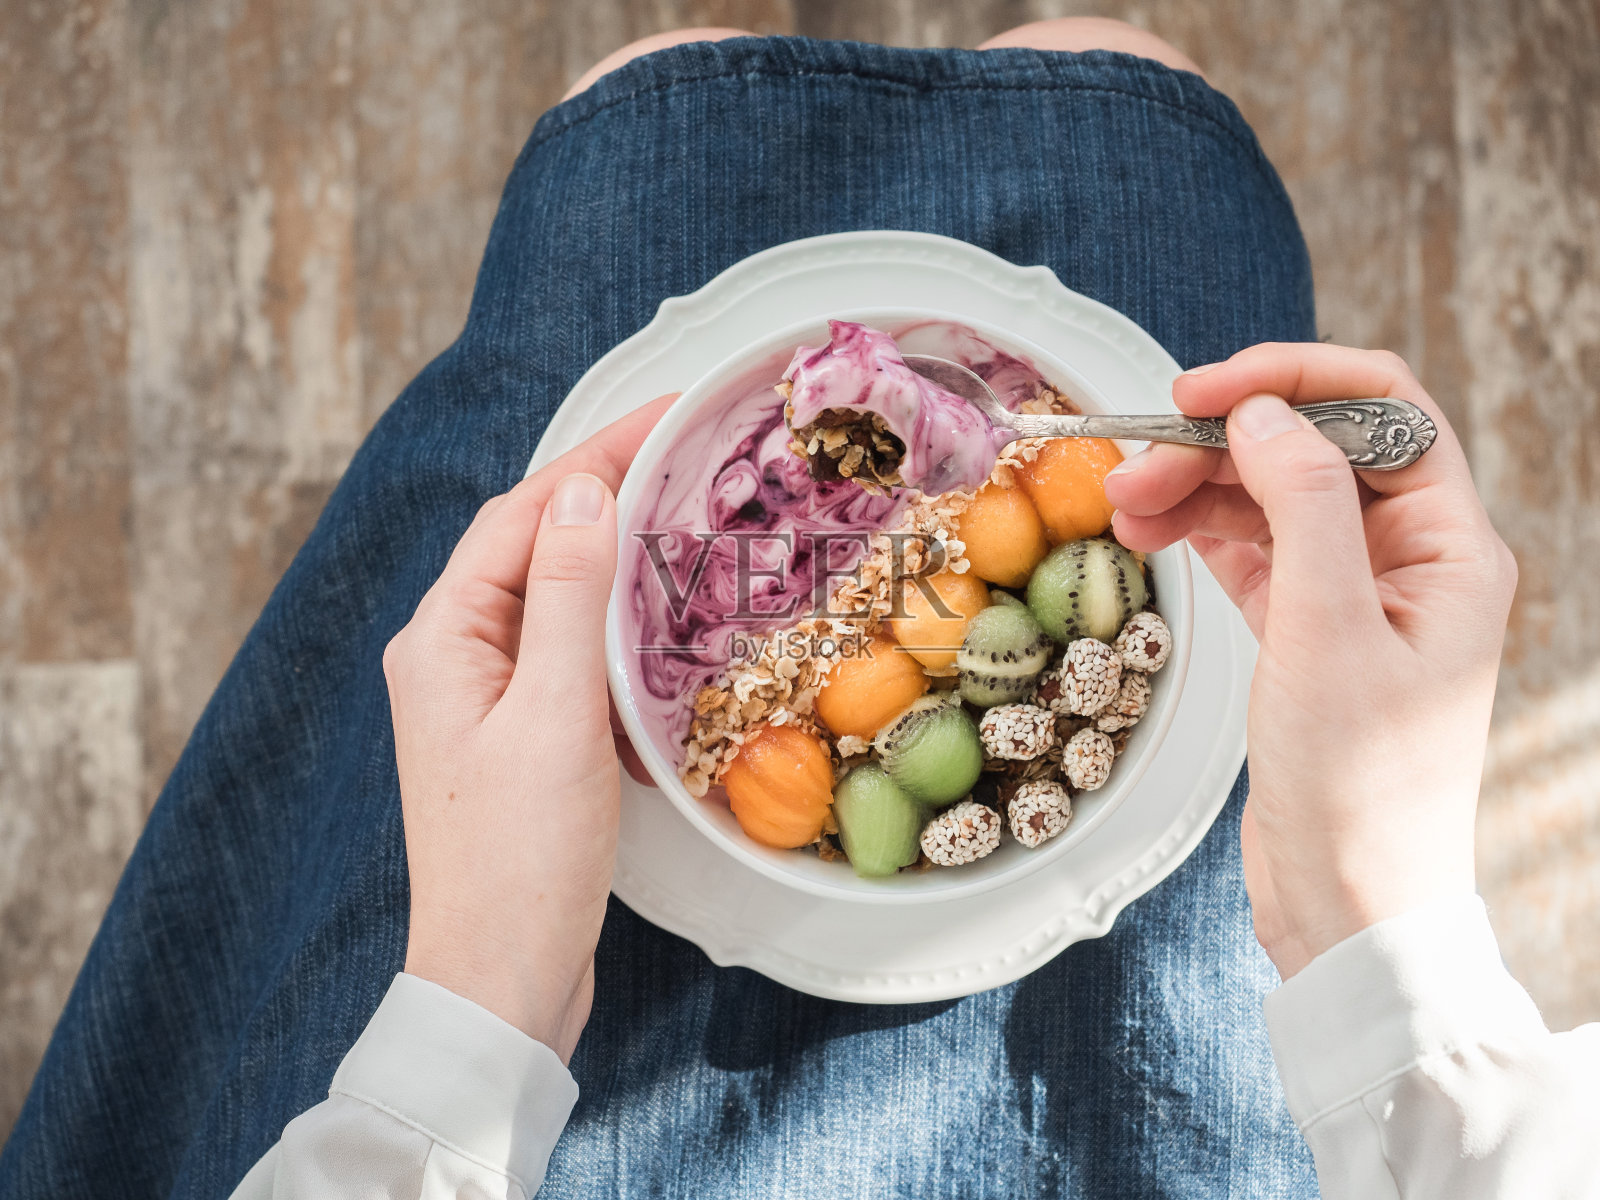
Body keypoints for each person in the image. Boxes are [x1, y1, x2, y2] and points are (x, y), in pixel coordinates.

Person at [3, 20, 1593, 1200]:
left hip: (513, 1063)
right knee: (1112, 64)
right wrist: (1378, 920)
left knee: (653, 89)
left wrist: (484, 991)